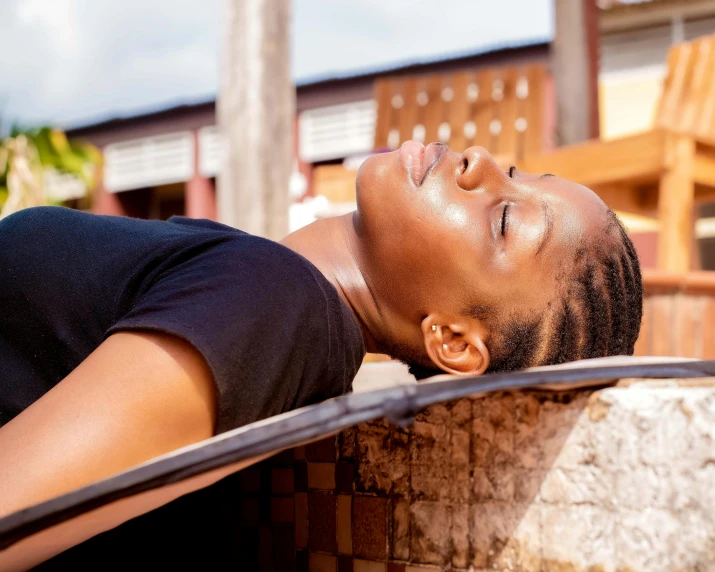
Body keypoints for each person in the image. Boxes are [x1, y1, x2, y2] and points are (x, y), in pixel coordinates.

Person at [0, 141, 642, 521]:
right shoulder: (272, 302)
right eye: (521, 173)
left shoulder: (270, 305)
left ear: (451, 340)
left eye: (504, 219)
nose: (481, 161)